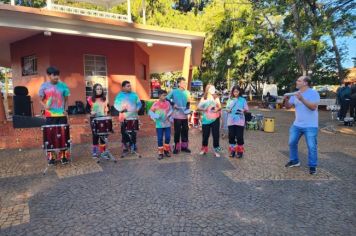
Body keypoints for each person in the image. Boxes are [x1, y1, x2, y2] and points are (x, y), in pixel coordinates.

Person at [284, 76, 320, 175]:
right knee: (292, 143)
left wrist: (302, 99)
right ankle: (294, 161)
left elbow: (313, 107)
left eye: (299, 80)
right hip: (297, 124)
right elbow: (288, 107)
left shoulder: (313, 93)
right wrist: (286, 100)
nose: (296, 81)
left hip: (311, 125)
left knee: (311, 146)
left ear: (305, 83)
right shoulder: (295, 94)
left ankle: (312, 166)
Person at [39, 66, 70, 165]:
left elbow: (66, 99)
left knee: (63, 136)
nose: (56, 77)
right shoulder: (44, 86)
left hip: (61, 115)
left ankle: (63, 156)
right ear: (49, 75)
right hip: (50, 115)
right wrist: (45, 106)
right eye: (54, 75)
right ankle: (51, 156)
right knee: (50, 136)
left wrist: (65, 110)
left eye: (57, 75)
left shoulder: (63, 86)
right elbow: (40, 99)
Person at [114, 81, 142, 155]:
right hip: (124, 118)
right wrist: (121, 109)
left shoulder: (134, 94)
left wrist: (138, 108)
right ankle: (125, 145)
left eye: (130, 86)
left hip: (133, 117)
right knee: (124, 132)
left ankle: (133, 144)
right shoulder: (119, 95)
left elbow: (139, 104)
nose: (130, 87)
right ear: (123, 87)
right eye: (128, 86)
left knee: (133, 132)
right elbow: (116, 105)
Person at [166, 77, 191, 154]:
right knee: (177, 132)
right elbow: (167, 98)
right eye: (183, 83)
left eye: (185, 83)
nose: (185, 84)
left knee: (185, 131)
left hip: (184, 116)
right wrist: (173, 104)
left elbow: (188, 103)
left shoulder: (187, 92)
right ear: (179, 84)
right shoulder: (174, 91)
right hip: (176, 115)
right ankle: (176, 148)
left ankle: (184, 147)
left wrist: (188, 110)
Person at [197, 84, 222, 157]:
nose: (212, 90)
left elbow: (220, 106)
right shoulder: (204, 98)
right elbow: (198, 108)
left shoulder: (216, 97)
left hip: (215, 119)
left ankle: (216, 150)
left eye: (213, 88)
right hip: (206, 119)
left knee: (216, 135)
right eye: (211, 88)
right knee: (205, 135)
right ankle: (204, 149)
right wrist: (203, 109)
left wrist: (217, 109)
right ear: (207, 90)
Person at [148, 89, 173, 160]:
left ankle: (166, 150)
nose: (165, 97)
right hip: (159, 125)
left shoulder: (168, 103)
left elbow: (171, 110)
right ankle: (160, 153)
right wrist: (155, 117)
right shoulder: (155, 104)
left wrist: (170, 116)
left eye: (166, 95)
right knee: (160, 138)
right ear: (159, 96)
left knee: (168, 137)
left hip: (167, 124)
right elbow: (150, 112)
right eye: (164, 95)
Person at [87, 83, 109, 157]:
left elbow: (107, 109)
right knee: (95, 135)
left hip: (103, 118)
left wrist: (106, 114)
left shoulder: (104, 98)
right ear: (94, 90)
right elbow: (86, 109)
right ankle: (95, 152)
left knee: (103, 135)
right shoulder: (90, 99)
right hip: (94, 119)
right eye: (97, 89)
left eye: (100, 89)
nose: (99, 90)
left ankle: (103, 151)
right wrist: (91, 112)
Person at [226, 85, 248, 158]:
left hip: (240, 120)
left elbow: (246, 109)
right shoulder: (230, 99)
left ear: (239, 92)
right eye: (234, 91)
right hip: (231, 120)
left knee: (239, 137)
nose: (235, 93)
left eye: (237, 91)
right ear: (232, 92)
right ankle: (232, 150)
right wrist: (228, 110)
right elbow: (227, 109)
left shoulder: (243, 100)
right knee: (231, 136)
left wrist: (243, 110)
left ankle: (240, 151)